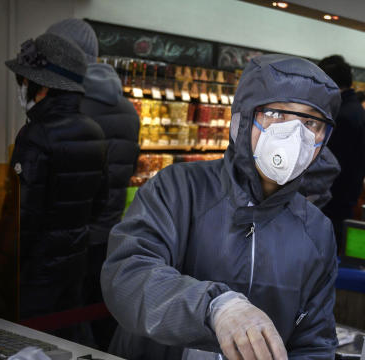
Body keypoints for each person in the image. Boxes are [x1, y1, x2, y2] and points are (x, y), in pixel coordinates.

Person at [101, 54, 341, 360]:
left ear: (323, 137)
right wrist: (215, 306)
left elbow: (314, 341)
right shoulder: (177, 189)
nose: (294, 136)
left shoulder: (316, 231)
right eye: (276, 115)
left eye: (310, 122)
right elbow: (128, 275)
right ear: (242, 119)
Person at [46, 18, 141, 350]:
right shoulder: (128, 109)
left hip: (69, 239)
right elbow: (127, 169)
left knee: (63, 327)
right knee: (100, 318)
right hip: (110, 233)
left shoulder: (69, 107)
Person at [5, 33, 107, 320]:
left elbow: (21, 216)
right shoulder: (95, 132)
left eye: (24, 81)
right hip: (74, 263)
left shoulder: (36, 135)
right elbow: (100, 204)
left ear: (42, 87)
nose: (22, 87)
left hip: (35, 269)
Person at [318, 55, 365, 250]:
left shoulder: (342, 114)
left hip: (333, 207)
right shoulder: (353, 108)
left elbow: (331, 167)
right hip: (343, 203)